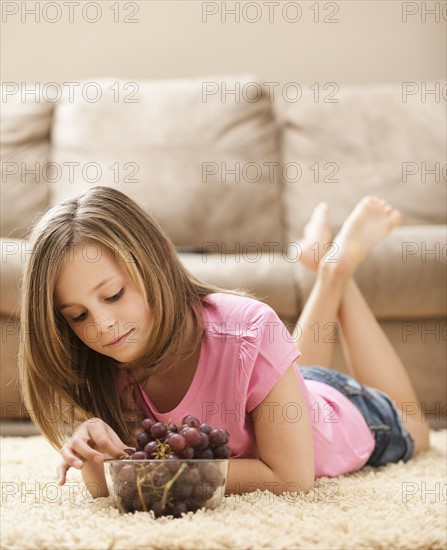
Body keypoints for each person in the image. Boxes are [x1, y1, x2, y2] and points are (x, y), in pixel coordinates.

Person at [18, 186, 430, 498]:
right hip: (284, 390)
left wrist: (168, 471)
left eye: (112, 295)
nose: (103, 325)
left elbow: (291, 479)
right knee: (289, 374)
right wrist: (89, 443)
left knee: (415, 430)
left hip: (343, 415)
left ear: (160, 258)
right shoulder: (102, 358)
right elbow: (107, 484)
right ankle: (325, 264)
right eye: (78, 316)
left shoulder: (248, 328)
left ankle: (336, 269)